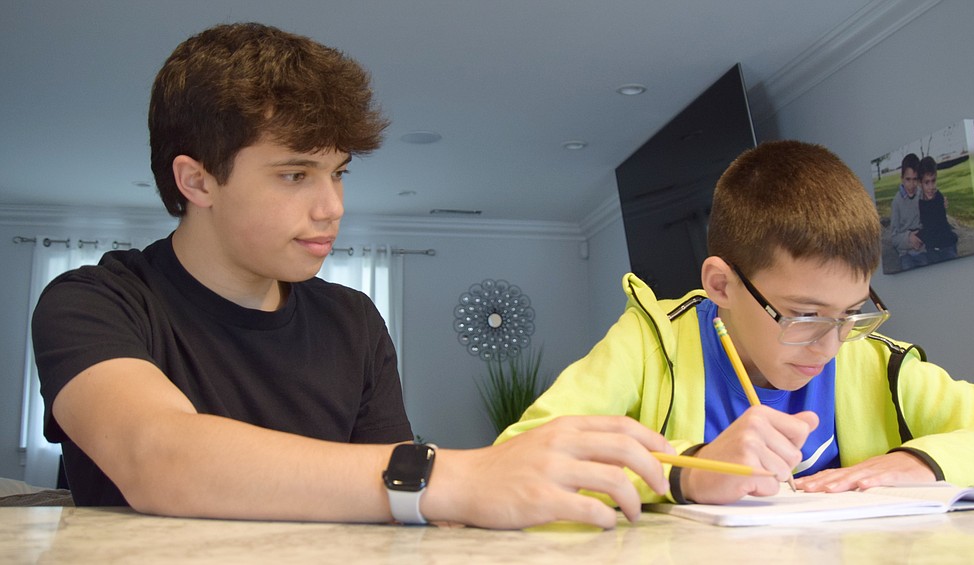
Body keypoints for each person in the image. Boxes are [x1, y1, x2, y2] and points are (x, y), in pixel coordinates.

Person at [31, 22, 674, 530]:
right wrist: (458, 476)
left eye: (338, 173)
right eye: (295, 174)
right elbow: (157, 458)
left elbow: (389, 514)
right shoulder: (92, 302)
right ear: (196, 179)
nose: (332, 207)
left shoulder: (353, 321)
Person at [497, 141, 974, 506]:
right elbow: (516, 457)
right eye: (804, 315)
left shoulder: (874, 363)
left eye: (850, 313)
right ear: (721, 285)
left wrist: (924, 462)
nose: (829, 346)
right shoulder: (649, 344)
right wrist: (690, 471)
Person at [915, 156, 959, 263]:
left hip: (946, 245)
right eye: (927, 182)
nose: (931, 186)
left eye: (933, 181)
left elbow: (933, 228)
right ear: (920, 183)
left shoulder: (938, 198)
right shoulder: (919, 202)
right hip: (932, 248)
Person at [888, 153, 928, 271]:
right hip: (905, 254)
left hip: (922, 250)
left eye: (915, 179)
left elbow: (929, 221)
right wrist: (908, 238)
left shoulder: (922, 194)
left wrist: (941, 202)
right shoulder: (896, 202)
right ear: (902, 179)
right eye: (908, 179)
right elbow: (894, 239)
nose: (911, 185)